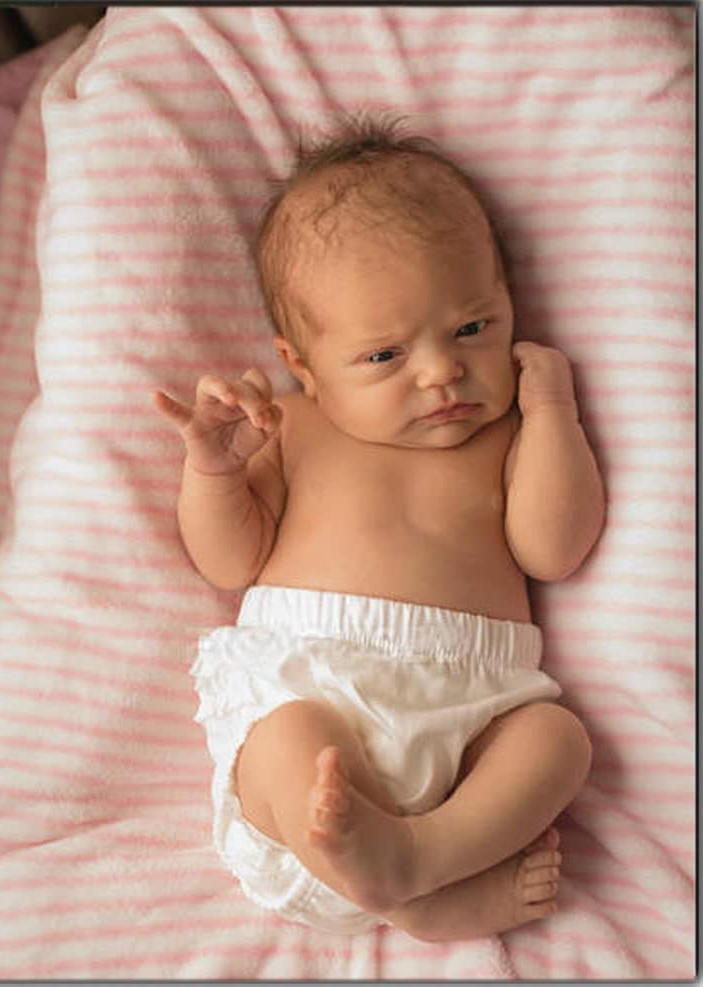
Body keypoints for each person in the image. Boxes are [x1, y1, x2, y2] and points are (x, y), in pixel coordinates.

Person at [153, 115, 604, 941]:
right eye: (385, 356)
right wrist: (214, 468)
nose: (441, 372)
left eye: (473, 329)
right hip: (312, 679)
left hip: (475, 706)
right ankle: (411, 887)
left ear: (508, 306)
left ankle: (425, 861)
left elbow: (555, 548)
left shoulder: (506, 433)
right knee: (291, 738)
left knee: (558, 740)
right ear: (302, 364)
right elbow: (228, 558)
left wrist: (553, 414)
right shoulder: (290, 426)